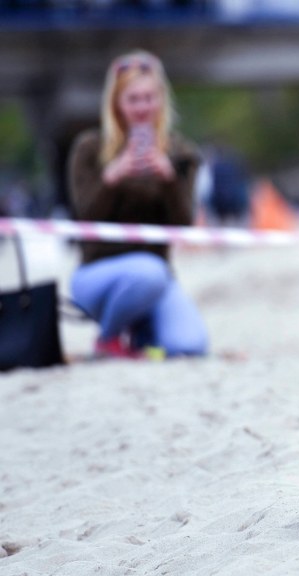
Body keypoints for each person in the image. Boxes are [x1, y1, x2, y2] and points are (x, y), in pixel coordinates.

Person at [68, 50, 207, 358]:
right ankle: (109, 338)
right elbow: (84, 221)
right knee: (148, 272)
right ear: (116, 104)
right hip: (98, 274)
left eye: (149, 98)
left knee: (189, 345)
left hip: (157, 278)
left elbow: (184, 225)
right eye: (133, 99)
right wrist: (112, 178)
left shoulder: (180, 153)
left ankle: (141, 332)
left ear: (161, 101)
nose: (143, 107)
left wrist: (170, 180)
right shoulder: (89, 148)